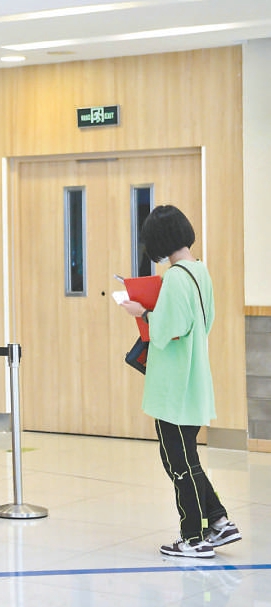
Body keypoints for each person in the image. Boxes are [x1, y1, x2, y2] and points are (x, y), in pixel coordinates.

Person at [120, 205, 241, 558]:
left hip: (174, 385)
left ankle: (193, 537)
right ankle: (218, 521)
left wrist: (143, 313)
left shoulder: (174, 278)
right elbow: (202, 321)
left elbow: (168, 329)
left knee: (178, 462)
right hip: (194, 378)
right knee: (187, 458)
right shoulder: (200, 271)